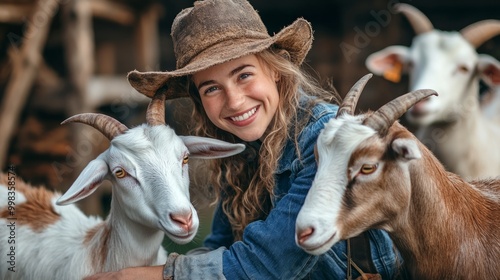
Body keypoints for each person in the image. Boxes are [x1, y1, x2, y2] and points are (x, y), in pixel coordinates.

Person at [86, 0, 403, 279]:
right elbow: (220, 244)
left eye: (244, 75)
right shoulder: (240, 148)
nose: (235, 102)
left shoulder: (322, 138)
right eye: (211, 88)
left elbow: (268, 265)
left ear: (275, 70)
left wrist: (152, 275)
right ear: (198, 99)